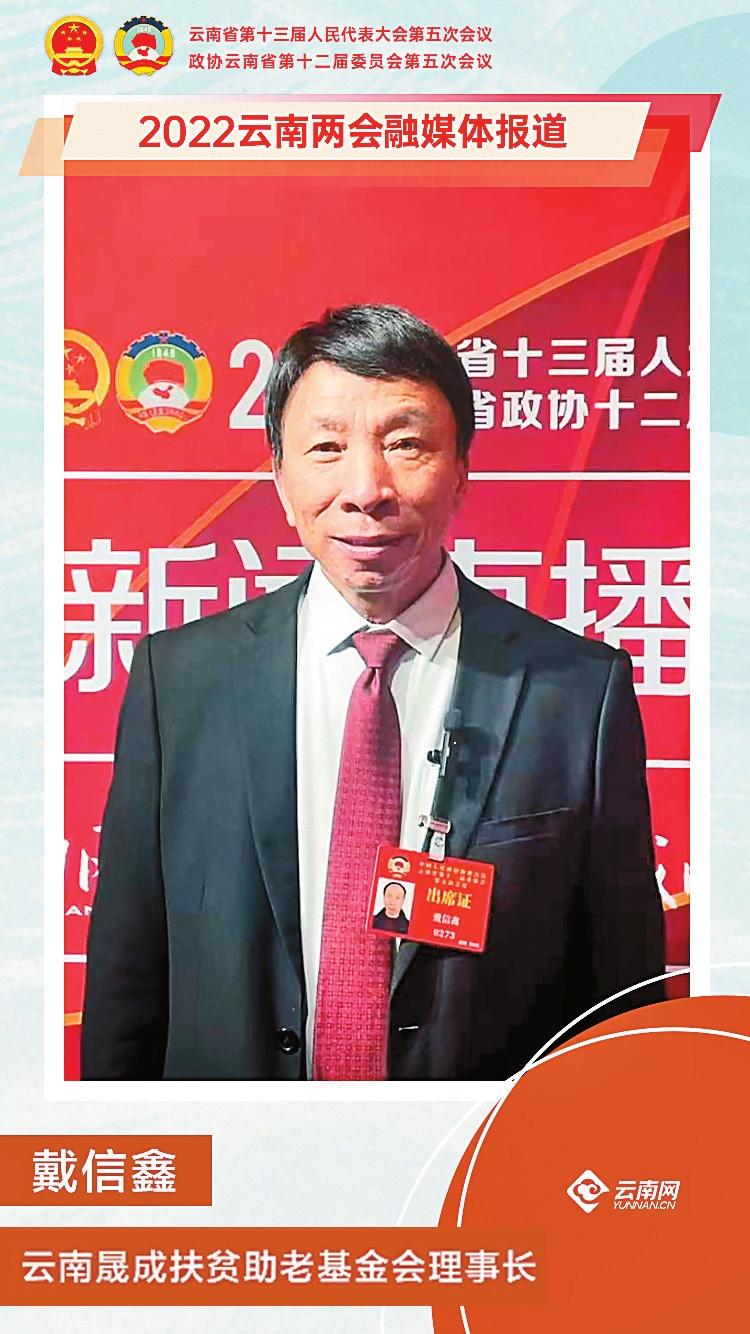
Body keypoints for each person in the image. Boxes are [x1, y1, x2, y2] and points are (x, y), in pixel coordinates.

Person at [81, 303, 665, 1082]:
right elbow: (127, 981)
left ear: (461, 473)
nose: (366, 489)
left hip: (478, 1145)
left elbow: (621, 1003)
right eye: (327, 447)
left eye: (405, 444)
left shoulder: (576, 693)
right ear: (280, 480)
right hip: (235, 1145)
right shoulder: (178, 681)